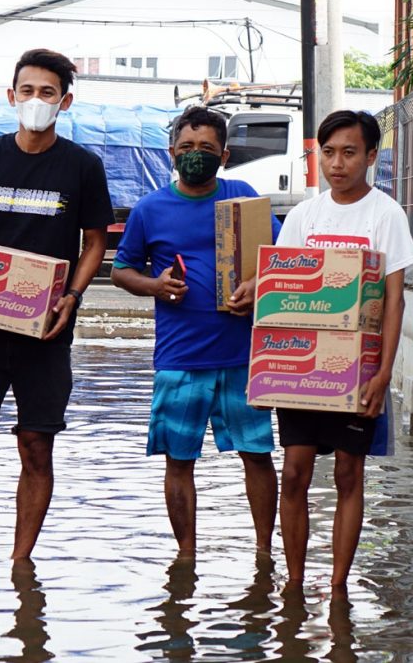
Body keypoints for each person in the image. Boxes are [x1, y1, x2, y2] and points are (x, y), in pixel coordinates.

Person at [0, 48, 114, 560]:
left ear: (65, 101)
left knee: (36, 446)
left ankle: (21, 562)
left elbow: (95, 242)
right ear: (10, 95)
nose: (35, 100)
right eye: (27, 90)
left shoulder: (83, 166)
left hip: (47, 331)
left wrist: (73, 297)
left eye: (47, 92)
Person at [111, 106, 282, 557]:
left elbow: (281, 258)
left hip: (243, 357)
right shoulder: (150, 209)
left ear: (223, 155)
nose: (195, 155)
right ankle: (185, 554)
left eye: (206, 148)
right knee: (179, 459)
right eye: (187, 147)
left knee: (258, 455)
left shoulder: (243, 197)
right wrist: (155, 285)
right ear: (171, 153)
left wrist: (258, 283)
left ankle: (265, 551)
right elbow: (121, 271)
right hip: (180, 359)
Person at [274, 110, 413, 588]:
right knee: (294, 472)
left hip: (359, 372)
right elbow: (284, 286)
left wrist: (383, 375)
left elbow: (395, 302)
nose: (337, 164)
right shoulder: (304, 215)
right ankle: (294, 583)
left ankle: (337, 587)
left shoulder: (386, 214)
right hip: (302, 369)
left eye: (349, 152)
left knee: (347, 472)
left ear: (371, 156)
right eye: (328, 153)